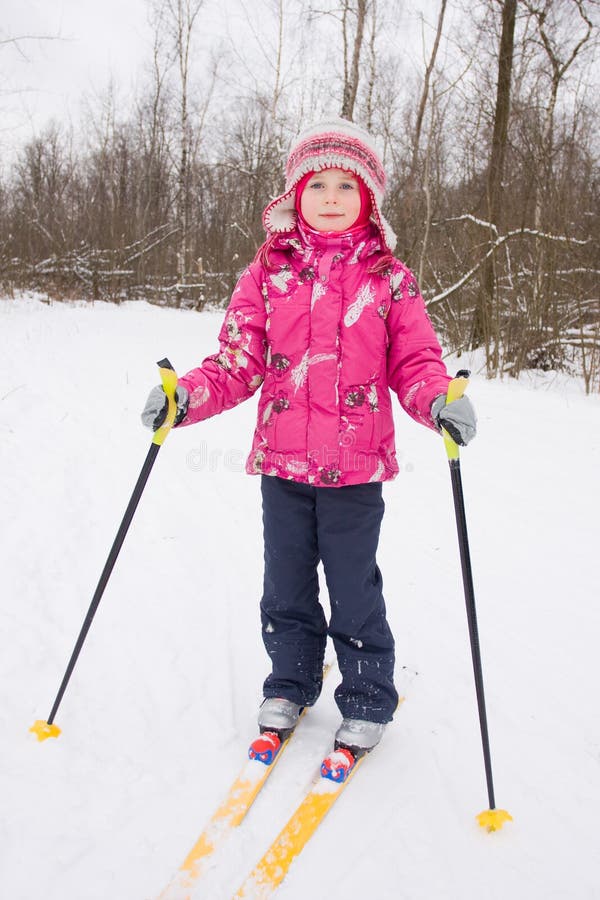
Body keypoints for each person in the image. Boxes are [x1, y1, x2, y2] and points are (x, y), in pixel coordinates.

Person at [142, 119, 476, 778]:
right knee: (285, 586)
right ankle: (290, 686)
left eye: (344, 185)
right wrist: (186, 399)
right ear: (294, 194)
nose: (329, 196)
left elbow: (414, 360)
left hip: (354, 470)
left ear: (368, 197)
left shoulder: (389, 279)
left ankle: (368, 700)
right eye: (315, 183)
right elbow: (237, 360)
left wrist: (438, 402)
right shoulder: (268, 272)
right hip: (283, 467)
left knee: (355, 590)